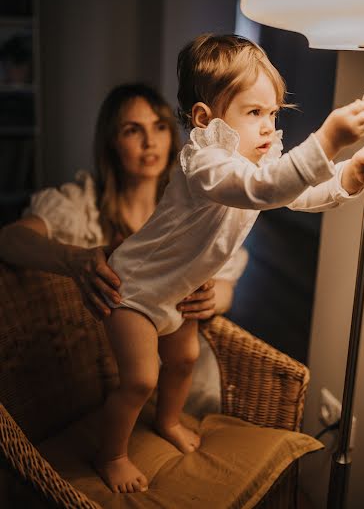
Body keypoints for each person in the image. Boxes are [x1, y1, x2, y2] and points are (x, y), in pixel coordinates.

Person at [96, 33, 364, 493]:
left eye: (273, 113)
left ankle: (168, 421)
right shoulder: (207, 165)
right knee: (139, 379)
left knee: (185, 360)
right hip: (132, 288)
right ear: (206, 119)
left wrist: (348, 175)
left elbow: (292, 192)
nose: (268, 127)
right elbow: (265, 188)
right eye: (254, 113)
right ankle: (112, 454)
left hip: (176, 294)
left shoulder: (255, 165)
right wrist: (326, 141)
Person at [0, 82, 245, 417]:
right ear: (113, 141)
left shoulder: (194, 204)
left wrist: (214, 298)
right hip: (100, 371)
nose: (150, 142)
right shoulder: (82, 204)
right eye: (133, 130)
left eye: (159, 126)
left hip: (177, 370)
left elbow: (227, 280)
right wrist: (74, 260)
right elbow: (10, 240)